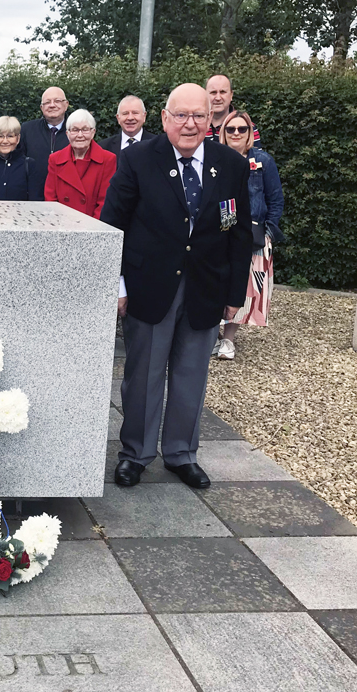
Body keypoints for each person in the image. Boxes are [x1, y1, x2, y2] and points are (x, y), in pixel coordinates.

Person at [101, 83, 252, 490]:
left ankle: (182, 454)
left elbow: (237, 232)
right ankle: (135, 453)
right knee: (144, 375)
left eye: (198, 116)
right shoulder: (136, 160)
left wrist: (234, 295)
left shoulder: (232, 165)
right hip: (148, 285)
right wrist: (117, 285)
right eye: (181, 115)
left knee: (191, 376)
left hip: (206, 287)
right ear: (165, 118)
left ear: (210, 120)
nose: (189, 123)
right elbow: (112, 224)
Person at [213, 109, 285, 360]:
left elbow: (276, 199)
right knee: (214, 281)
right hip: (218, 230)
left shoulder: (263, 161)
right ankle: (211, 335)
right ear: (222, 132)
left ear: (250, 133)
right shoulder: (213, 158)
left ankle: (229, 340)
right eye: (230, 129)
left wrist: (269, 231)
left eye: (241, 129)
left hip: (251, 234)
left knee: (243, 287)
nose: (235, 133)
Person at [44, 109, 116, 218]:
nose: (80, 135)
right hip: (62, 224)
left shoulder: (108, 159)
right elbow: (50, 198)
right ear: (67, 134)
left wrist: (94, 229)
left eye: (85, 129)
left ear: (93, 132)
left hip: (93, 226)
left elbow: (104, 202)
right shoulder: (55, 159)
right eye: (75, 130)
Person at [19, 86, 71, 197]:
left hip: (67, 197)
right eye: (47, 102)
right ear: (42, 108)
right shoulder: (27, 129)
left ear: (66, 105)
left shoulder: (75, 131)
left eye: (57, 101)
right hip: (33, 197)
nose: (52, 105)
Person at [0, 116, 42, 201]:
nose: (5, 141)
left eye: (10, 136)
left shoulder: (29, 165)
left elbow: (35, 200)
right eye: (0, 136)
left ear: (18, 139)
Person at [205, 75, 261, 147]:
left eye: (222, 92)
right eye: (213, 92)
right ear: (205, 95)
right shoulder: (196, 125)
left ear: (231, 95)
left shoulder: (245, 127)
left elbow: (256, 157)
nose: (218, 98)